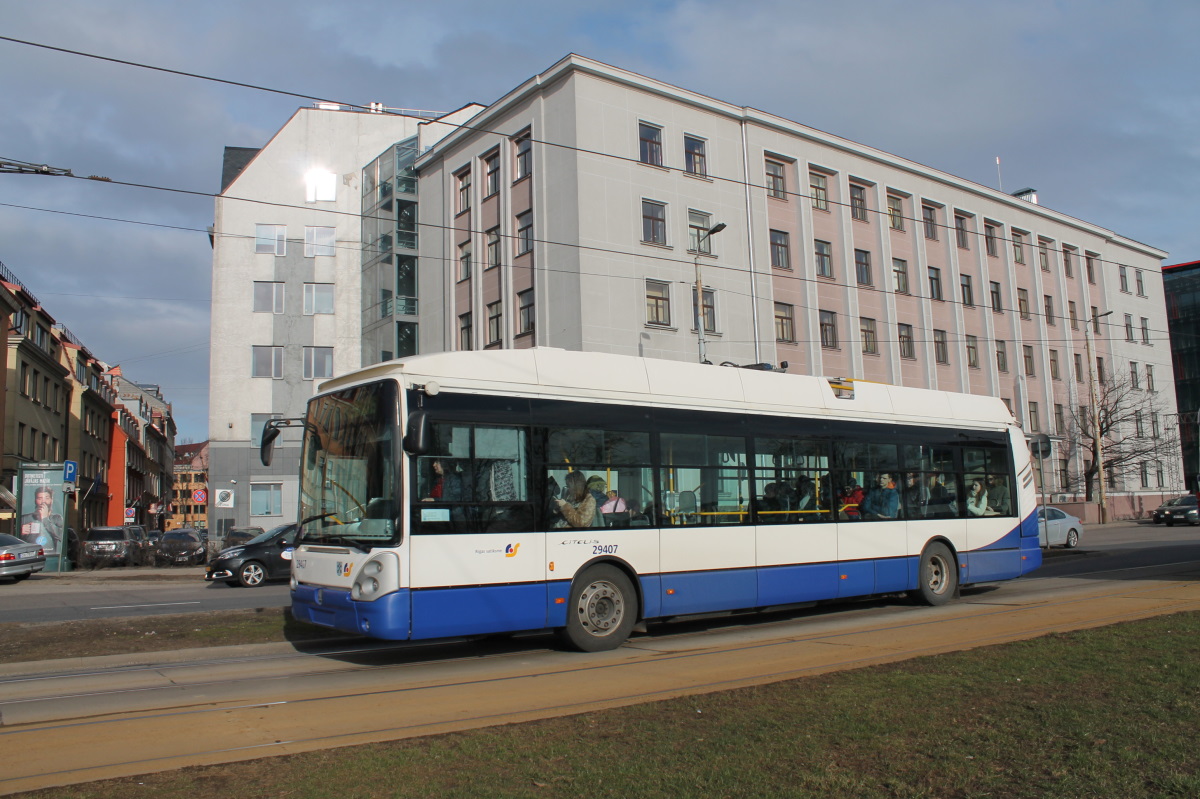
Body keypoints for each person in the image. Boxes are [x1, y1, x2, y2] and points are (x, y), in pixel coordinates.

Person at [21, 485, 63, 550]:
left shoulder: (57, 518)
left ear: (51, 500)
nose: (43, 502)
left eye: (47, 498)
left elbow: (61, 536)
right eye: (40, 498)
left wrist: (44, 518)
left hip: (51, 554)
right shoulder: (24, 518)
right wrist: (21, 532)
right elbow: (14, 540)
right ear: (35, 501)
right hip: (30, 555)